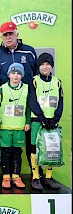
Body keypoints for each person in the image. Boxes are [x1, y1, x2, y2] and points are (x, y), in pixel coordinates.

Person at [0, 21, 37, 173]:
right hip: (5, 109)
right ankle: (6, 176)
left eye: (11, 33)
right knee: (6, 146)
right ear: (1, 37)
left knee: (29, 142)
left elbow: (36, 77)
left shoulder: (29, 52)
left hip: (26, 103)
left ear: (17, 34)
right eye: (5, 35)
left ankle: (36, 175)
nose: (8, 37)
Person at [28, 53, 63, 190]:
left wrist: (56, 118)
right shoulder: (34, 80)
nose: (45, 66)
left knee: (51, 148)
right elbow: (32, 100)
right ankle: (36, 176)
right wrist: (41, 116)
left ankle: (48, 176)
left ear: (52, 66)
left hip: (52, 121)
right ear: (38, 66)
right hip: (38, 120)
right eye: (42, 64)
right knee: (34, 147)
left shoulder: (57, 82)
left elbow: (60, 102)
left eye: (48, 64)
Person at [0, 63, 30, 189]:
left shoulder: (27, 88)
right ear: (9, 75)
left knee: (17, 152)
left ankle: (16, 176)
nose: (15, 76)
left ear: (22, 75)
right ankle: (6, 177)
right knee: (5, 152)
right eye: (13, 73)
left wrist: (27, 122)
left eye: (18, 73)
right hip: (5, 127)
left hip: (19, 127)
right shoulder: (2, 88)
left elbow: (28, 108)